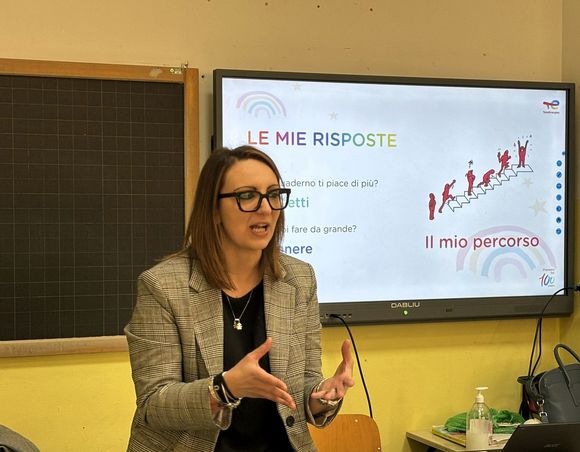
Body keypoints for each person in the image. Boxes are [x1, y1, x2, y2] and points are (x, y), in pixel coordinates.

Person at [125, 145, 354, 451]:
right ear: (214, 210)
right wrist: (225, 388)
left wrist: (322, 396)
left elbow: (303, 386)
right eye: (247, 196)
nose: (266, 208)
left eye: (273, 194)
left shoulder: (299, 279)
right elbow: (154, 404)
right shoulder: (163, 286)